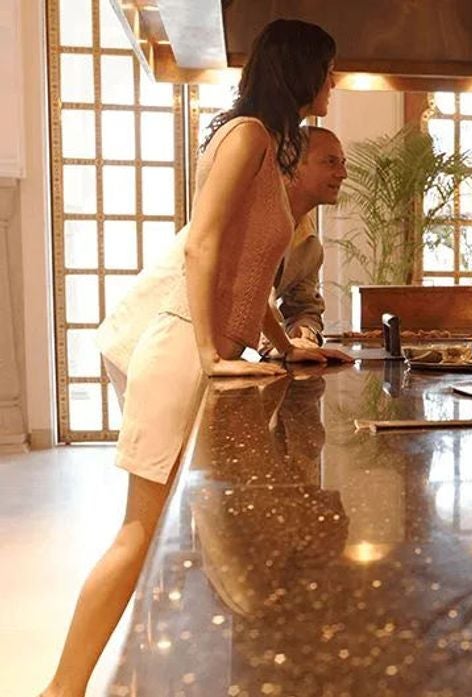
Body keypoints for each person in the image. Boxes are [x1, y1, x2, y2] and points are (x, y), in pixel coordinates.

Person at [41, 19, 343, 697]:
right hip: (180, 346)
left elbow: (250, 264)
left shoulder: (267, 144)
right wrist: (211, 353)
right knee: (136, 534)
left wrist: (283, 342)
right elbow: (202, 245)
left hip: (202, 345)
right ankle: (61, 689)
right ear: (299, 71)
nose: (335, 81)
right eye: (328, 69)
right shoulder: (246, 136)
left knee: (148, 534)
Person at [263, 125, 347, 353]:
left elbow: (304, 307)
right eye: (330, 162)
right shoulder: (257, 214)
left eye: (343, 163)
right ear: (292, 164)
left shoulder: (310, 245)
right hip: (183, 346)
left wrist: (305, 333)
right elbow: (249, 300)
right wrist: (283, 345)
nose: (343, 174)